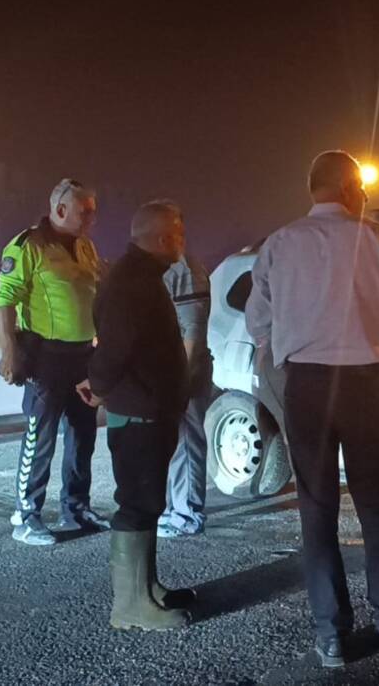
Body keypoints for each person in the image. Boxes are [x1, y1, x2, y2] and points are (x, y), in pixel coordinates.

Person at [246, 150, 379, 667]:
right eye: (360, 187)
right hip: (363, 382)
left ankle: (331, 637)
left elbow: (258, 320)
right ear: (347, 187)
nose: (364, 195)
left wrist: (282, 347)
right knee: (375, 504)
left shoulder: (280, 243)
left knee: (317, 509)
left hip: (306, 385)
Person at [77, 201, 194, 631]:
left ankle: (147, 590)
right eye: (178, 233)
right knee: (137, 504)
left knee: (147, 502)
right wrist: (99, 386)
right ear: (162, 238)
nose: (182, 241)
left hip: (148, 408)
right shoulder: (133, 282)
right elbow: (116, 347)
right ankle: (130, 607)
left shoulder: (139, 276)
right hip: (139, 412)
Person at [0, 178, 110, 545]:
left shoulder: (85, 246)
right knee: (39, 438)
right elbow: (5, 298)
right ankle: (26, 515)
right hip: (46, 358)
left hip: (83, 357)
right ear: (61, 210)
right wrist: (9, 351)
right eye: (85, 212)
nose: (92, 218)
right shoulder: (28, 245)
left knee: (83, 436)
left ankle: (76, 507)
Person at [153, 202, 213, 539]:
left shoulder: (185, 270)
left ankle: (187, 513)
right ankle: (173, 509)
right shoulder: (167, 268)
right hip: (169, 370)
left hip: (185, 370)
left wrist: (183, 377)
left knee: (187, 441)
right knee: (174, 442)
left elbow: (193, 331)